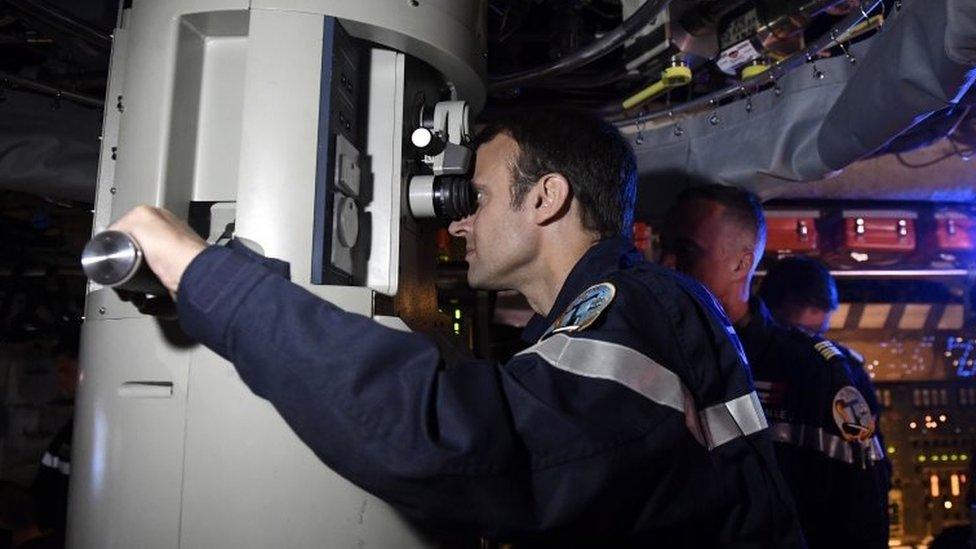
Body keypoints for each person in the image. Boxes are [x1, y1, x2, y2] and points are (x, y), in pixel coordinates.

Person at [107, 109, 802, 546]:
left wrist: (204, 275)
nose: (460, 222)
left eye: (478, 197)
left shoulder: (638, 303)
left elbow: (459, 440)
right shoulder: (596, 322)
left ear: (546, 197)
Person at [660, 184, 889, 548]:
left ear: (741, 263)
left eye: (685, 251)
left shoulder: (815, 374)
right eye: (663, 246)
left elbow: (861, 514)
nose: (666, 263)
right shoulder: (651, 356)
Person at [759, 255, 892, 533]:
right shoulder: (843, 371)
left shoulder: (734, 361)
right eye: (802, 333)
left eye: (815, 335)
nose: (807, 346)